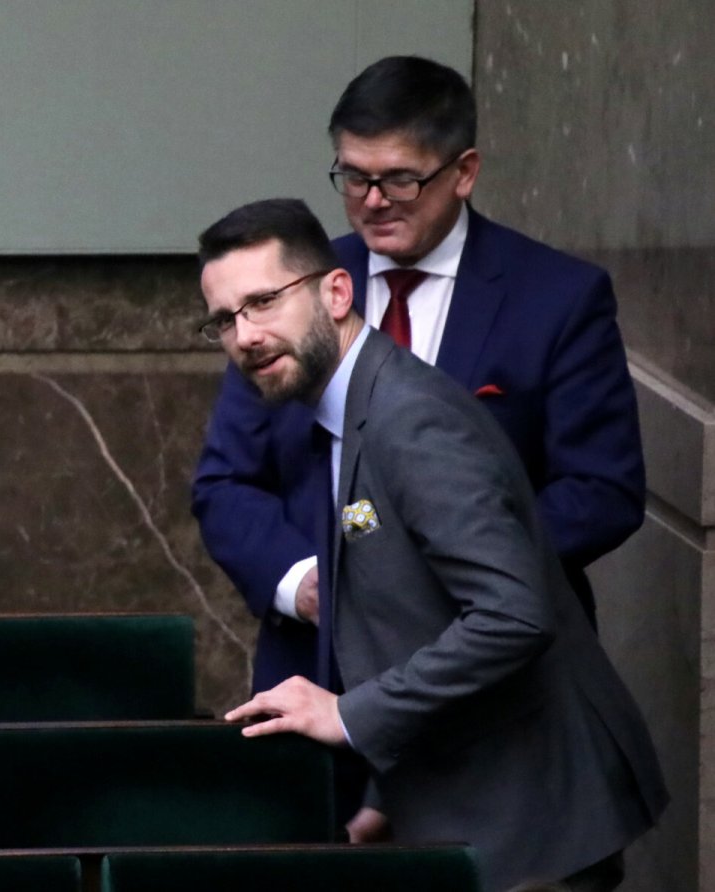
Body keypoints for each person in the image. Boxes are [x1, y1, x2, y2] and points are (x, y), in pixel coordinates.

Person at [202, 198, 665, 892]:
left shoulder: (410, 422)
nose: (246, 336)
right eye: (225, 319)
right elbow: (421, 608)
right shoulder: (347, 407)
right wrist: (388, 799)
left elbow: (513, 615)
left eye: (264, 302)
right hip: (461, 800)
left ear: (335, 293)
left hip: (535, 824)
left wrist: (347, 715)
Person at [192, 56, 645, 695]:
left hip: (503, 689)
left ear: (464, 173)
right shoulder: (286, 291)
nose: (373, 202)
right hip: (319, 674)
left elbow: (601, 490)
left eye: (400, 179)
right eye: (353, 177)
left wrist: (453, 573)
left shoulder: (557, 299)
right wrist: (305, 584)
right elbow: (226, 482)